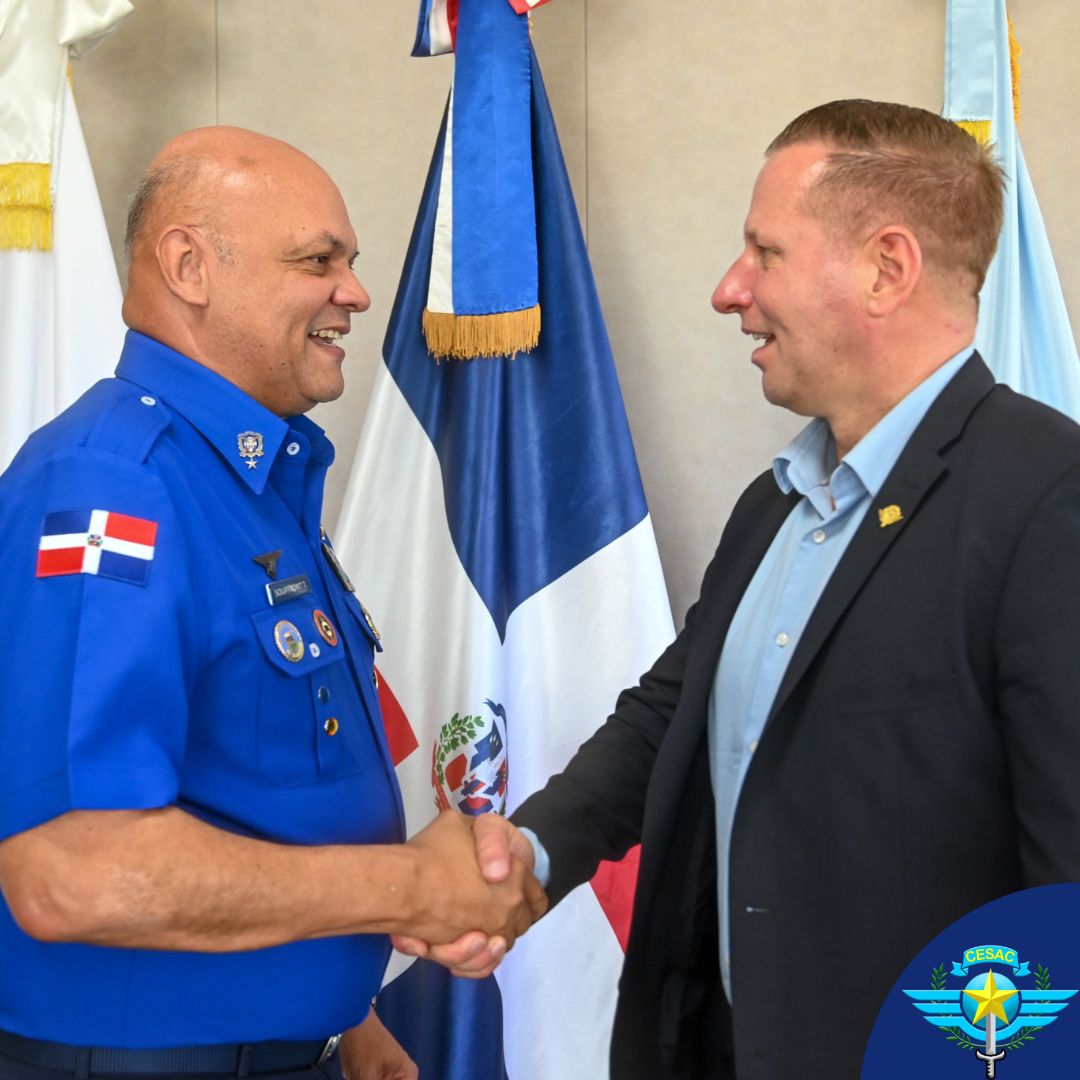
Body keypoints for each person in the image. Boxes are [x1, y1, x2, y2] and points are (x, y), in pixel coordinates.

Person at [402, 99, 1080, 1078]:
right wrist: (528, 856)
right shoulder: (779, 504)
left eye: (766, 253)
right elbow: (669, 719)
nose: (730, 290)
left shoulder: (1047, 500)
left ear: (888, 268)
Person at [0, 127, 545, 1080]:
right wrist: (405, 887)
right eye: (317, 261)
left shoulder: (245, 480)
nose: (356, 293)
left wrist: (337, 1018)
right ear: (188, 265)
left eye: (351, 263)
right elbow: (71, 873)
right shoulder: (114, 491)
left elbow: (253, 790)